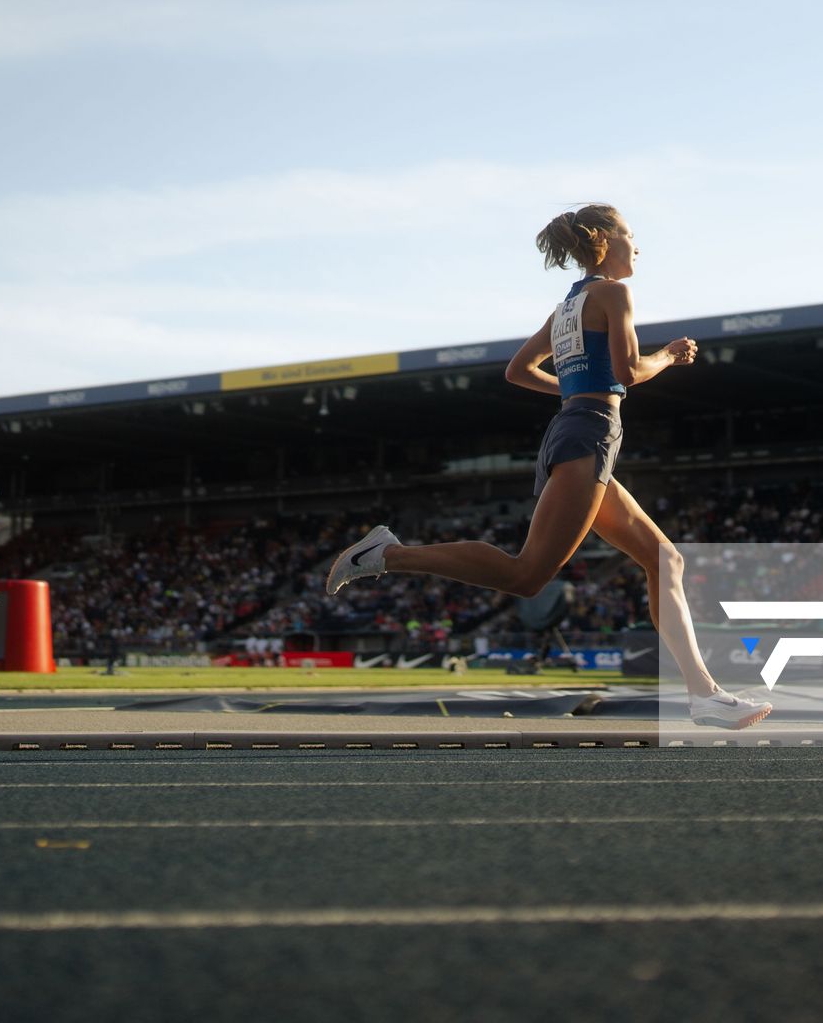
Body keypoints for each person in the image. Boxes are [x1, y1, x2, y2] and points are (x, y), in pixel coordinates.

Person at [326, 203, 771, 728]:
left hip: (580, 428)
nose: (638, 246)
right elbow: (628, 371)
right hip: (588, 434)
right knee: (527, 575)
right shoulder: (613, 292)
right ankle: (389, 554)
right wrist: (670, 356)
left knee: (664, 560)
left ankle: (705, 696)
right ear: (605, 238)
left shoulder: (567, 305)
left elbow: (520, 370)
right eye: (630, 235)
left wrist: (579, 385)